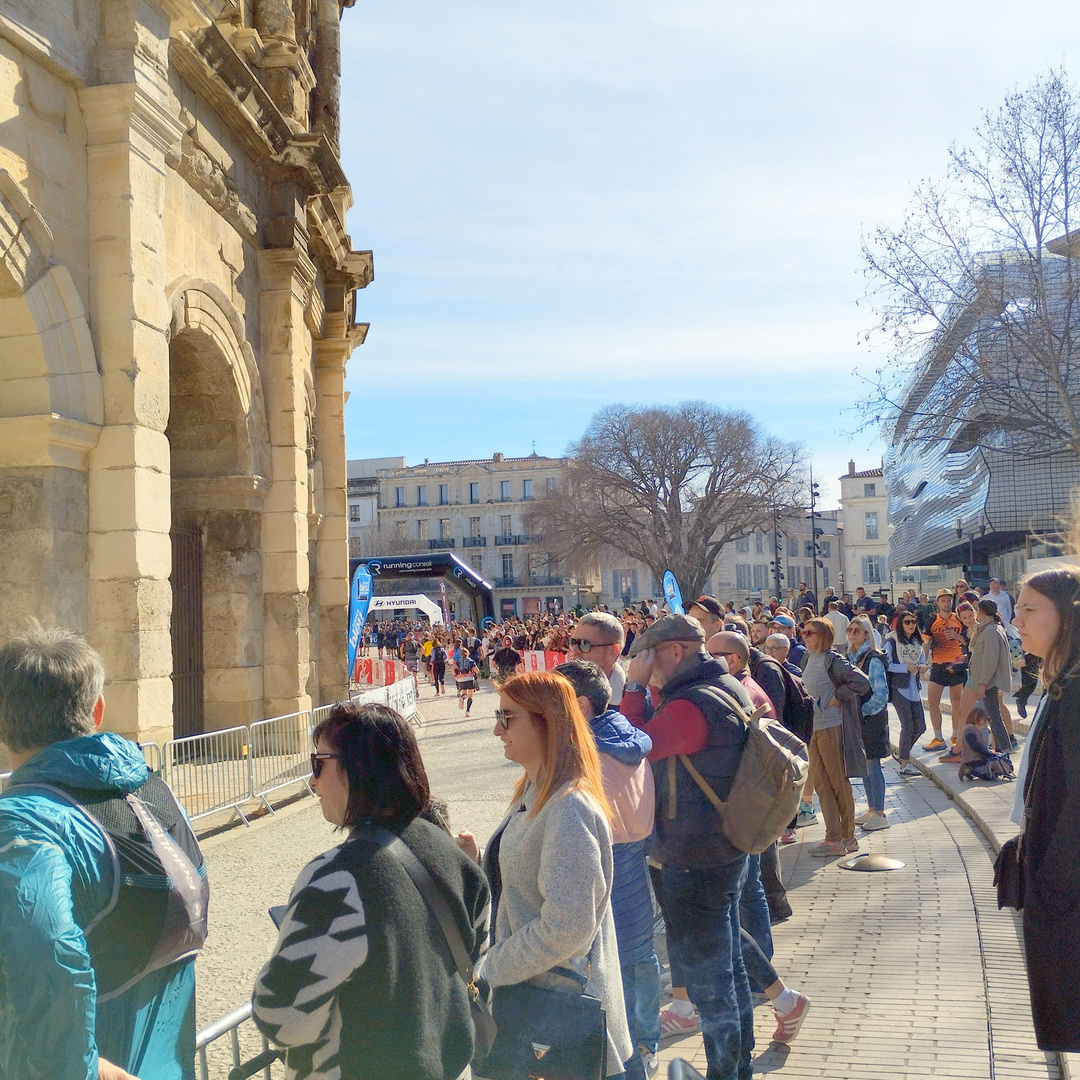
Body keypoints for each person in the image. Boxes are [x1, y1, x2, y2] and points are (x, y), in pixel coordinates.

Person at [0, 624, 207, 1080]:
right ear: (96, 710)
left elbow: (48, 953)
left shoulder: (20, 820)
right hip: (163, 1060)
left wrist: (82, 1068)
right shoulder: (155, 791)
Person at [253, 702, 489, 1079]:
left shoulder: (337, 877)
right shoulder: (451, 852)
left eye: (319, 764)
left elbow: (281, 1017)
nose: (313, 782)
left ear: (358, 768)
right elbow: (476, 959)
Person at [621, 614, 756, 1080]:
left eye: (648, 658)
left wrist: (634, 689)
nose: (643, 667)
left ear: (674, 652)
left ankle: (726, 1072)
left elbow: (630, 746)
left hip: (695, 855)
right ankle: (738, 1065)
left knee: (712, 984)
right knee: (730, 967)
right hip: (723, 845)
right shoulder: (723, 685)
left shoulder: (691, 705)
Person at [483, 672, 636, 1078]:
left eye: (507, 717)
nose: (497, 729)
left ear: (545, 722)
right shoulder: (536, 790)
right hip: (539, 1008)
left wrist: (491, 967)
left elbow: (567, 926)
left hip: (559, 1022)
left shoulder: (569, 807)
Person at [555, 660, 660, 1078]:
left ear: (580, 705)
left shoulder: (589, 751)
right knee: (638, 953)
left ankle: (634, 1050)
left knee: (623, 959)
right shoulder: (622, 733)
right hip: (633, 848)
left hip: (612, 856)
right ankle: (641, 1042)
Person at [1002, 566, 1080, 1053]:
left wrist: (1052, 882)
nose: (1018, 620)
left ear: (1067, 619)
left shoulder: (1074, 694)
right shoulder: (1062, 685)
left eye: (1030, 610)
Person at [799, 617, 872, 857]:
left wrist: (838, 696)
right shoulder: (807, 658)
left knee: (838, 782)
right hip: (814, 729)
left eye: (810, 633)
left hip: (831, 728)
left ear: (823, 636)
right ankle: (833, 837)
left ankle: (847, 836)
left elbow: (862, 682)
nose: (804, 636)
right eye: (803, 632)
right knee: (820, 783)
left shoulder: (832, 659)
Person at [844, 616, 891, 831]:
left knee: (873, 766)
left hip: (870, 719)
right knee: (865, 767)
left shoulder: (872, 658)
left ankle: (880, 813)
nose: (852, 633)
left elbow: (881, 694)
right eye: (850, 629)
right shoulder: (850, 657)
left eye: (857, 630)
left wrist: (862, 712)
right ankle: (872, 809)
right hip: (859, 718)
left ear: (866, 634)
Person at [956, 598, 1014, 754]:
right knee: (994, 716)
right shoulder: (989, 628)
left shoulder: (991, 631)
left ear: (981, 612)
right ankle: (1002, 750)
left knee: (994, 717)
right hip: (987, 680)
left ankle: (1004, 750)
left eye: (977, 611)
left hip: (989, 681)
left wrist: (982, 683)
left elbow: (990, 660)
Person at [921, 588, 967, 753]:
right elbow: (925, 643)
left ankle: (955, 736)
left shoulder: (960, 619)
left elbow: (967, 640)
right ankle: (938, 737)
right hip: (938, 664)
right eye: (943, 600)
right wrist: (923, 663)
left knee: (957, 703)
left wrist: (958, 638)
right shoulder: (932, 620)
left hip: (956, 665)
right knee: (933, 702)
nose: (946, 603)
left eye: (949, 600)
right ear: (938, 602)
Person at [883, 612, 927, 776]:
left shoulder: (916, 643)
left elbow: (922, 661)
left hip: (914, 687)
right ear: (900, 624)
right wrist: (904, 667)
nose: (911, 624)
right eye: (907, 622)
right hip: (899, 688)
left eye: (913, 621)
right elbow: (886, 664)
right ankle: (904, 764)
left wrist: (922, 667)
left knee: (920, 726)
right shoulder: (892, 642)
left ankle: (902, 753)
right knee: (908, 726)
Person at [569, 612, 628, 705]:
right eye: (573, 642)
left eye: (584, 644)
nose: (575, 650)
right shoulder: (562, 689)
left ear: (612, 651)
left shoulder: (632, 702)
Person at [956, 701, 1014, 782]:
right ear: (978, 720)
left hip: (979, 759)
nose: (984, 725)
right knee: (988, 775)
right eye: (983, 723)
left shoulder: (972, 729)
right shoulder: (970, 730)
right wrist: (987, 753)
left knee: (995, 771)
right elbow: (975, 746)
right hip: (973, 760)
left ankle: (971, 769)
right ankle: (968, 769)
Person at [454, 649, 480, 714]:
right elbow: (477, 670)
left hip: (461, 679)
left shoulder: (458, 661)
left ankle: (462, 698)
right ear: (468, 653)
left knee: (464, 693)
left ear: (461, 654)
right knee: (470, 696)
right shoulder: (471, 661)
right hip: (469, 679)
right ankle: (467, 711)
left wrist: (455, 675)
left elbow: (452, 668)